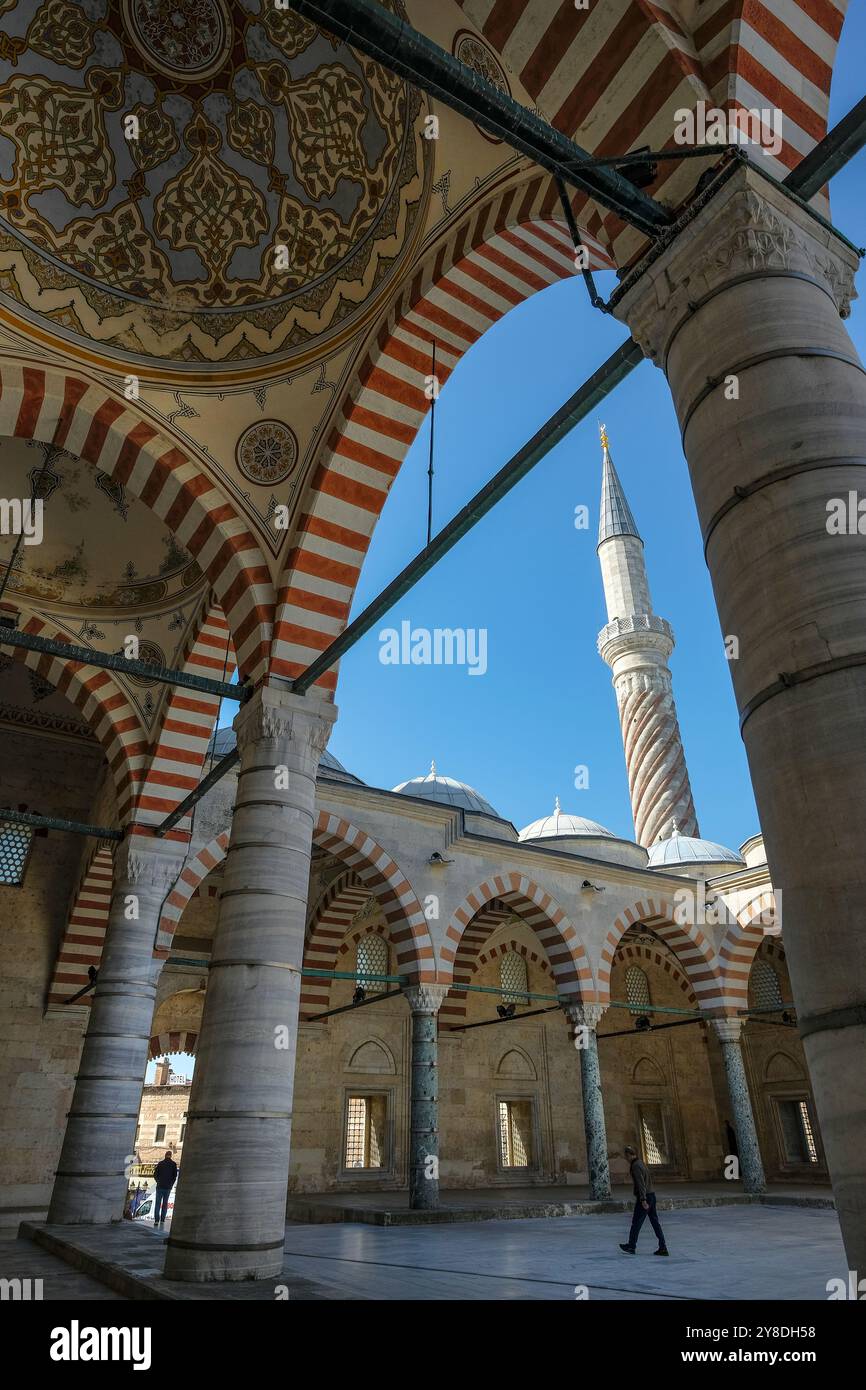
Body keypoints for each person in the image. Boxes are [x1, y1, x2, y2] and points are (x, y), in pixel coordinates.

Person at [619, 1145, 669, 1256]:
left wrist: (643, 1200)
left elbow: (640, 1184)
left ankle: (631, 1246)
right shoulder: (641, 1163)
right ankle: (663, 1247)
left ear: (629, 1155)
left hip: (645, 1197)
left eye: (626, 1156)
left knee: (636, 1222)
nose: (626, 1159)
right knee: (655, 1222)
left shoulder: (635, 1166)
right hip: (651, 1195)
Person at [153, 1151, 178, 1228]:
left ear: (165, 1155)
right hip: (168, 1188)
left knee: (157, 1204)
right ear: (171, 1156)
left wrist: (158, 1181)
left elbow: (155, 1174)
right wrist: (171, 1184)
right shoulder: (173, 1164)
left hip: (160, 1186)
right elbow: (174, 1176)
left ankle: (156, 1220)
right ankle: (163, 1220)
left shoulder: (160, 1164)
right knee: (165, 1204)